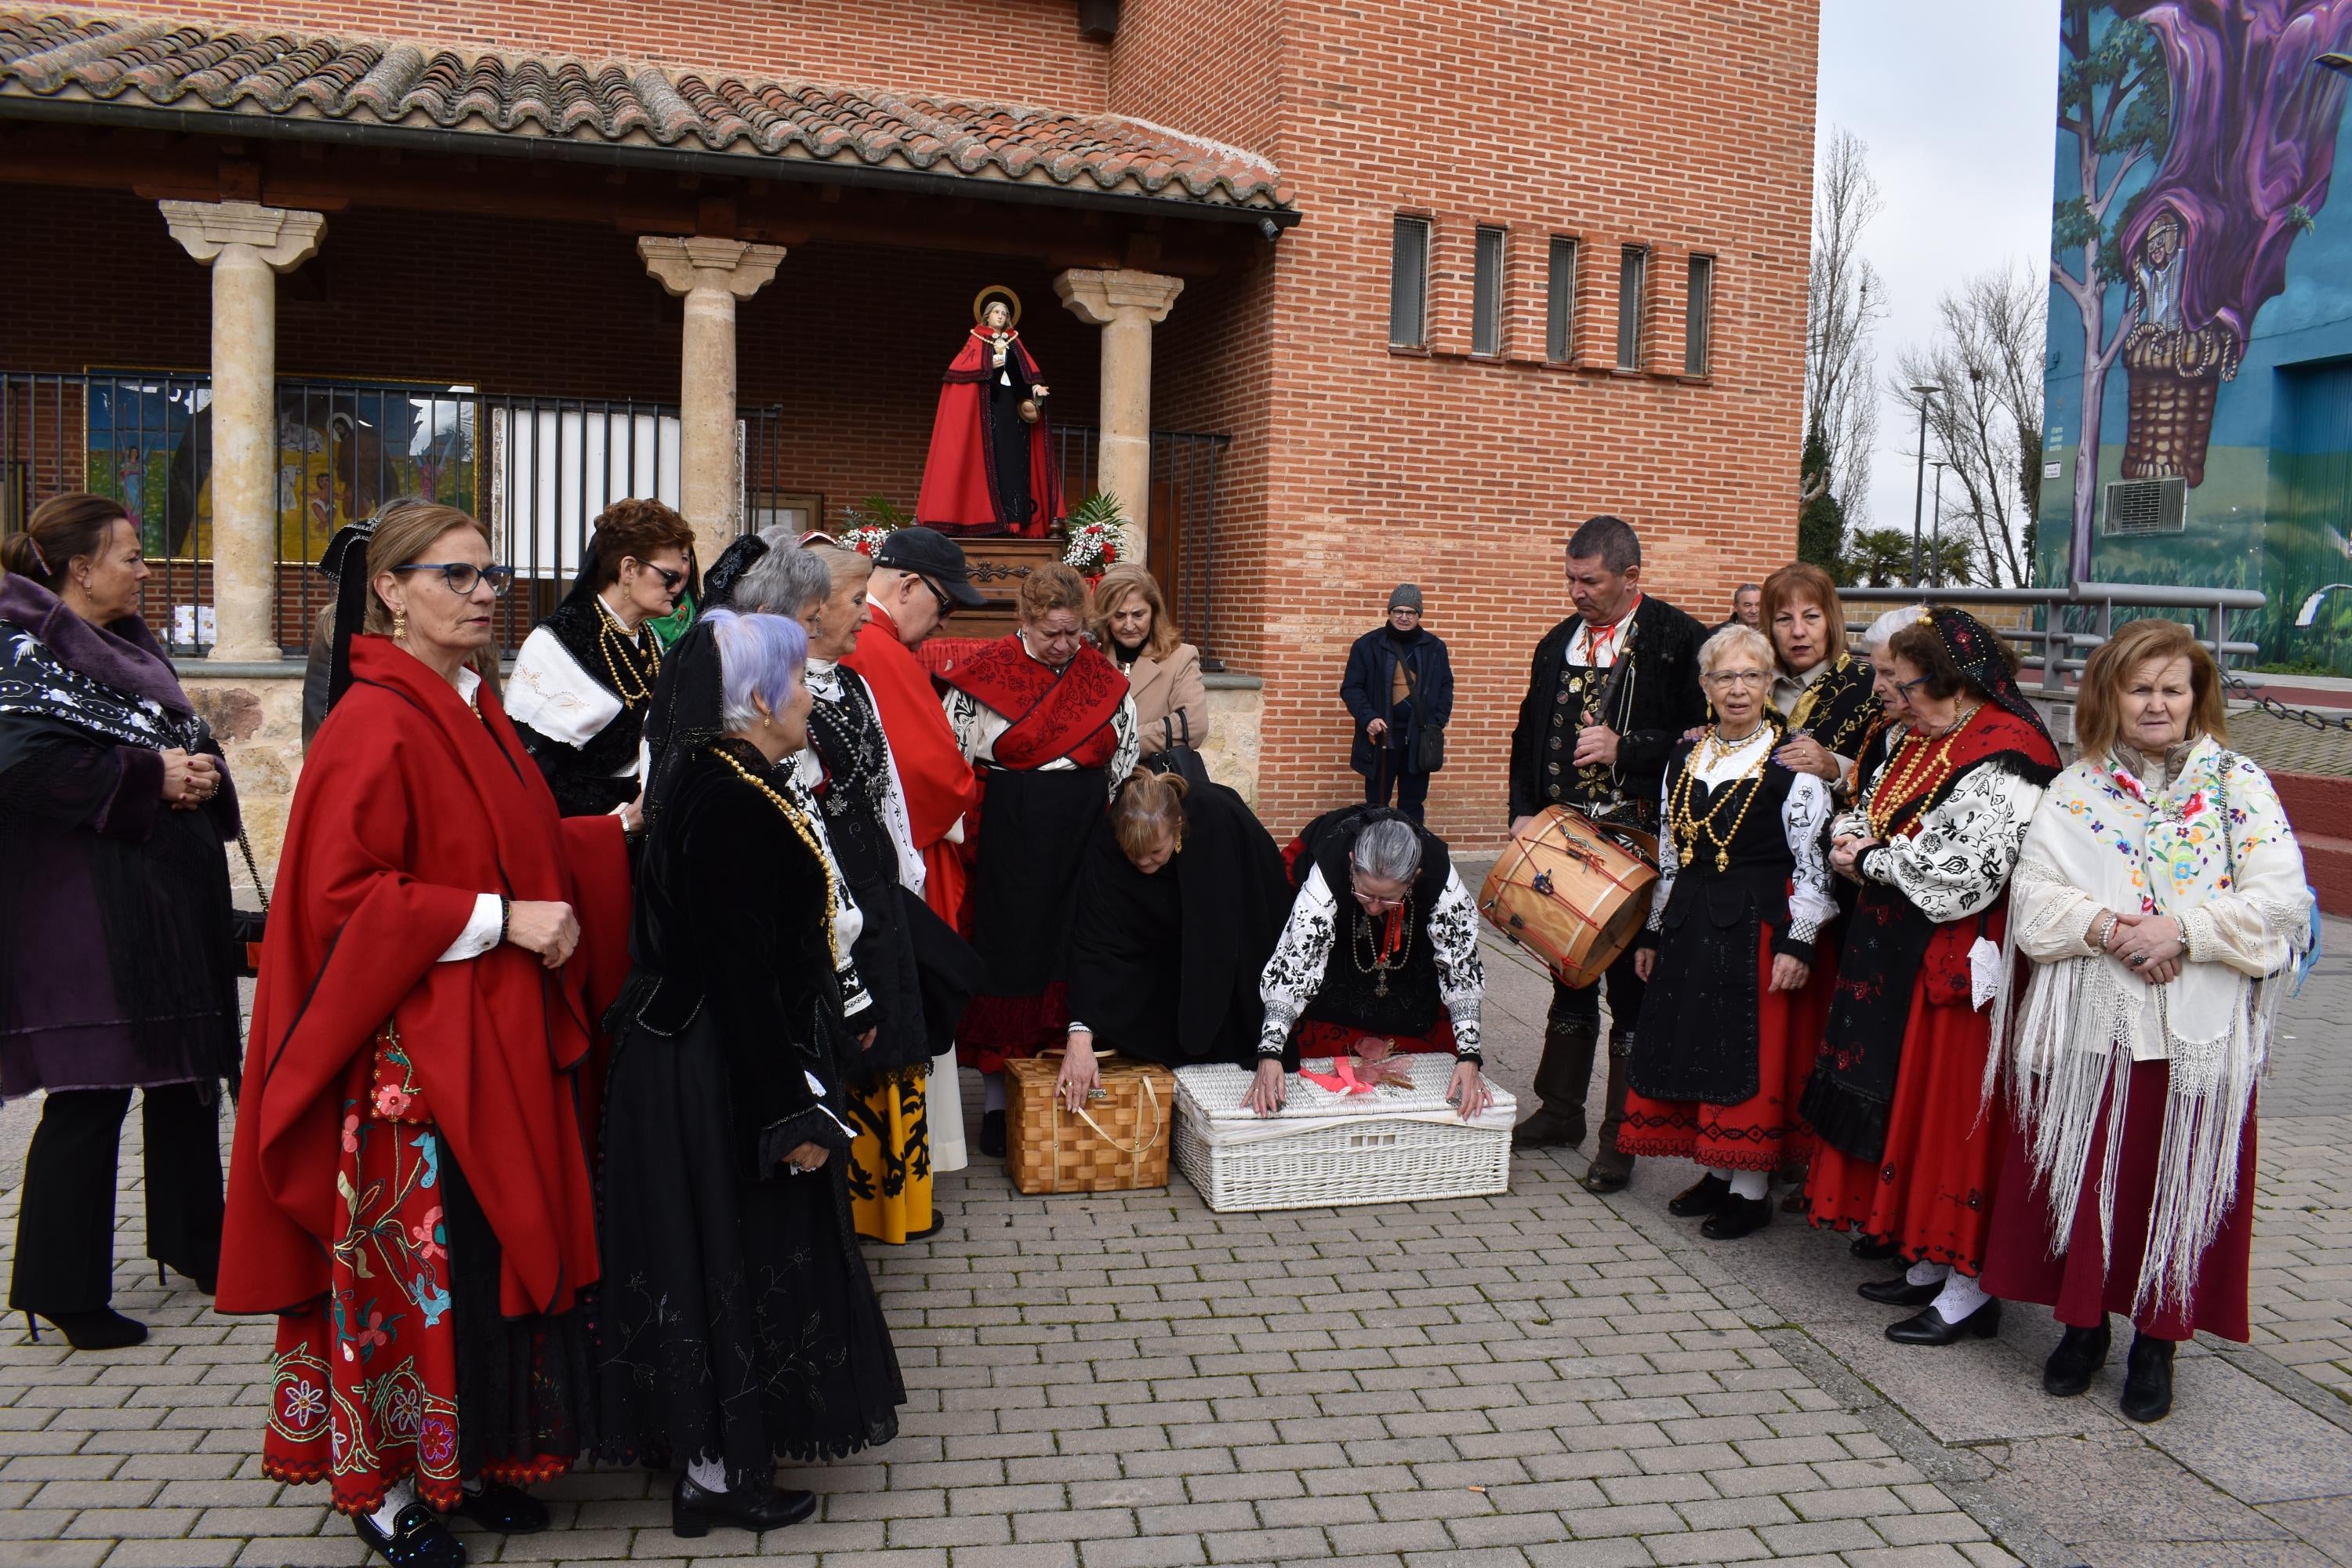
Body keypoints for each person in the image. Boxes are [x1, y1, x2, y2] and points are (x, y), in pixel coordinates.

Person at [220, 503, 630, 1567]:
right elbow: (347, 896)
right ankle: (385, 1487)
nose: (484, 592)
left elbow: (513, 845)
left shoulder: (472, 705)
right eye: (456, 575)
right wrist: (502, 919)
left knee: (483, 1254)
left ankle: (469, 1458)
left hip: (486, 1038)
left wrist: (609, 835)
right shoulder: (376, 717)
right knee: (410, 1272)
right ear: (392, 592)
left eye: (492, 574)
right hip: (411, 1063)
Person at [597, 609, 903, 1535]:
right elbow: (737, 970)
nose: (813, 698)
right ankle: (713, 1470)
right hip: (710, 1057)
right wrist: (788, 1113)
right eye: (802, 683)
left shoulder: (732, 775)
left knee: (719, 1249)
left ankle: (717, 1452)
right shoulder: (728, 795)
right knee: (715, 1251)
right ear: (762, 696)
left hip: (714, 1045)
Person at [1982, 619, 2313, 1424]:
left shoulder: (2238, 784)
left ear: (2197, 694)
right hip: (2097, 1028)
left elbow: (2281, 896)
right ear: (2111, 696)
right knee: (2091, 1175)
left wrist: (2184, 930)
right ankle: (2082, 1325)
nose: (2157, 702)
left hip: (2197, 1033)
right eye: (2140, 688)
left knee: (2174, 1183)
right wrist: (2113, 930)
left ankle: (2156, 1341)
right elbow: (2033, 898)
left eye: (2173, 687)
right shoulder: (2077, 787)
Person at [2, 493, 241, 1350]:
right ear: (78, 568)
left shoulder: (126, 647)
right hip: (86, 911)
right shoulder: (21, 647)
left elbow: (168, 738)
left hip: (163, 902)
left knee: (184, 1072)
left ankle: (195, 1239)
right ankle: (60, 1286)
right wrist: (152, 776)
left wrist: (199, 771)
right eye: (131, 555)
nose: (145, 569)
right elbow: (25, 764)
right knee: (91, 1087)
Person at [1801, 608, 2061, 1347]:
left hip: (1963, 963)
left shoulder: (2011, 753)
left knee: (1955, 1121)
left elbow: (1963, 876)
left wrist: (1871, 861)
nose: (1887, 692)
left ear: (1947, 681)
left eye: (1899, 680)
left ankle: (1969, 1288)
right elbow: (1858, 807)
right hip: (1897, 950)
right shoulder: (1910, 738)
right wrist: (1854, 841)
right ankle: (1926, 1253)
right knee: (1909, 1107)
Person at [1505, 516, 1708, 1193]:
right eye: (1569, 577)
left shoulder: (1681, 642)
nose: (1575, 592)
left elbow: (1707, 739)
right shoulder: (1554, 642)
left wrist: (1630, 748)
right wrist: (1521, 809)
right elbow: (1527, 731)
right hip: (1563, 837)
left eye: (1588, 581)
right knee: (1569, 971)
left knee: (1631, 989)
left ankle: (1622, 1136)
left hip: (1640, 844)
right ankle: (1560, 1110)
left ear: (1631, 578)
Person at [1616, 626, 1837, 1240]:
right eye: (1724, 677)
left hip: (1758, 925)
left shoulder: (1793, 760)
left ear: (1770, 684)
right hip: (1690, 920)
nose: (1738, 690)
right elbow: (1668, 854)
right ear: (1705, 685)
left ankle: (1751, 1189)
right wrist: (1654, 934)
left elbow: (1814, 866)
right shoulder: (1686, 754)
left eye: (1751, 677)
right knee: (1696, 1044)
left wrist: (1799, 942)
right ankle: (1717, 1172)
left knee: (1747, 1056)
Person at [793, 541, 975, 1243]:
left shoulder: (858, 671)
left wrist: (904, 871)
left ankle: (895, 1198)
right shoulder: (854, 659)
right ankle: (862, 1202)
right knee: (862, 1034)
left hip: (880, 874)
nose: (861, 612)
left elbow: (890, 782)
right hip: (840, 883)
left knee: (896, 1029)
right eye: (852, 597)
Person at [942, 562, 1138, 1156]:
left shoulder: (1103, 679)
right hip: (1009, 835)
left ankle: (1064, 1093)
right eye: (1051, 632)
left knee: (1073, 949)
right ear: (1024, 621)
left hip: (1083, 829)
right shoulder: (980, 679)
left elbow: (1123, 759)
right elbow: (955, 759)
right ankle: (1000, 1104)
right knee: (1009, 957)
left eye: (1073, 632)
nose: (1064, 645)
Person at [840, 525, 989, 1171]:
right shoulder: (878, 649)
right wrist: (966, 798)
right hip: (889, 868)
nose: (942, 620)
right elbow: (934, 775)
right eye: (944, 603)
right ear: (906, 586)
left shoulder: (863, 644)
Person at [1054, 769, 1292, 1109]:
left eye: (1154, 852)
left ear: (1178, 831)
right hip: (1151, 958)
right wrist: (1080, 1034)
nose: (1143, 863)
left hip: (1220, 948)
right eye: (1132, 854)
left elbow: (1258, 907)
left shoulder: (1218, 819)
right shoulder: (1106, 845)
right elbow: (1097, 939)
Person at [1251, 811, 1493, 1120]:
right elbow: (1297, 960)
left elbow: (1461, 967)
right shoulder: (1329, 871)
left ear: (1415, 876)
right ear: (1352, 862)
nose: (1375, 907)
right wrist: (1271, 1052)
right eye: (1365, 894)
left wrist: (1470, 1056)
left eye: (1387, 899)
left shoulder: (1441, 880)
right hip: (1339, 937)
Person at [505, 498, 695, 822]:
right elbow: (530, 770)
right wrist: (618, 820)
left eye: (683, 576)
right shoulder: (559, 639)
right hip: (580, 834)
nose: (679, 588)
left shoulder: (647, 637)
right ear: (629, 569)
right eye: (669, 576)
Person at [916, 287, 1062, 535]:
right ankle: (982, 520)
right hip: (985, 418)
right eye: (996, 312)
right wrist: (989, 366)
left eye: (1005, 313)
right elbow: (963, 381)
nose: (1001, 317)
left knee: (1013, 464)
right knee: (988, 464)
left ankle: (1014, 519)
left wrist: (1035, 390)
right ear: (986, 316)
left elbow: (1027, 377)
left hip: (1012, 417)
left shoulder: (1016, 345)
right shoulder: (975, 343)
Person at [1760, 564, 1879, 792]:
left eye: (1811, 617)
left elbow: (1891, 772)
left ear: (1830, 621)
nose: (1798, 631)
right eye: (1784, 619)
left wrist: (1835, 767)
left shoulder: (1869, 684)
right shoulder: (1749, 682)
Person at [1341, 585, 1452, 824]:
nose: (1404, 617)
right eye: (1398, 611)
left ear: (1419, 614)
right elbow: (1352, 688)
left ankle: (1411, 856)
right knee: (1376, 805)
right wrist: (1368, 717)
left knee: (1413, 806)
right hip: (1382, 739)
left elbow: (1446, 687)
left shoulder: (1435, 648)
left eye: (1410, 612)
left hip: (1418, 739)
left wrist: (1437, 722)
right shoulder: (1367, 645)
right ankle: (1376, 856)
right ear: (1390, 613)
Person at [1091, 564, 1208, 760]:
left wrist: (1119, 740)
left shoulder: (1181, 657)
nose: (1129, 625)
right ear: (1106, 617)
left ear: (1153, 612)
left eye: (1138, 615)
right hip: (1096, 784)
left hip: (1152, 782)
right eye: (1119, 616)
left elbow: (1194, 726)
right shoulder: (1092, 656)